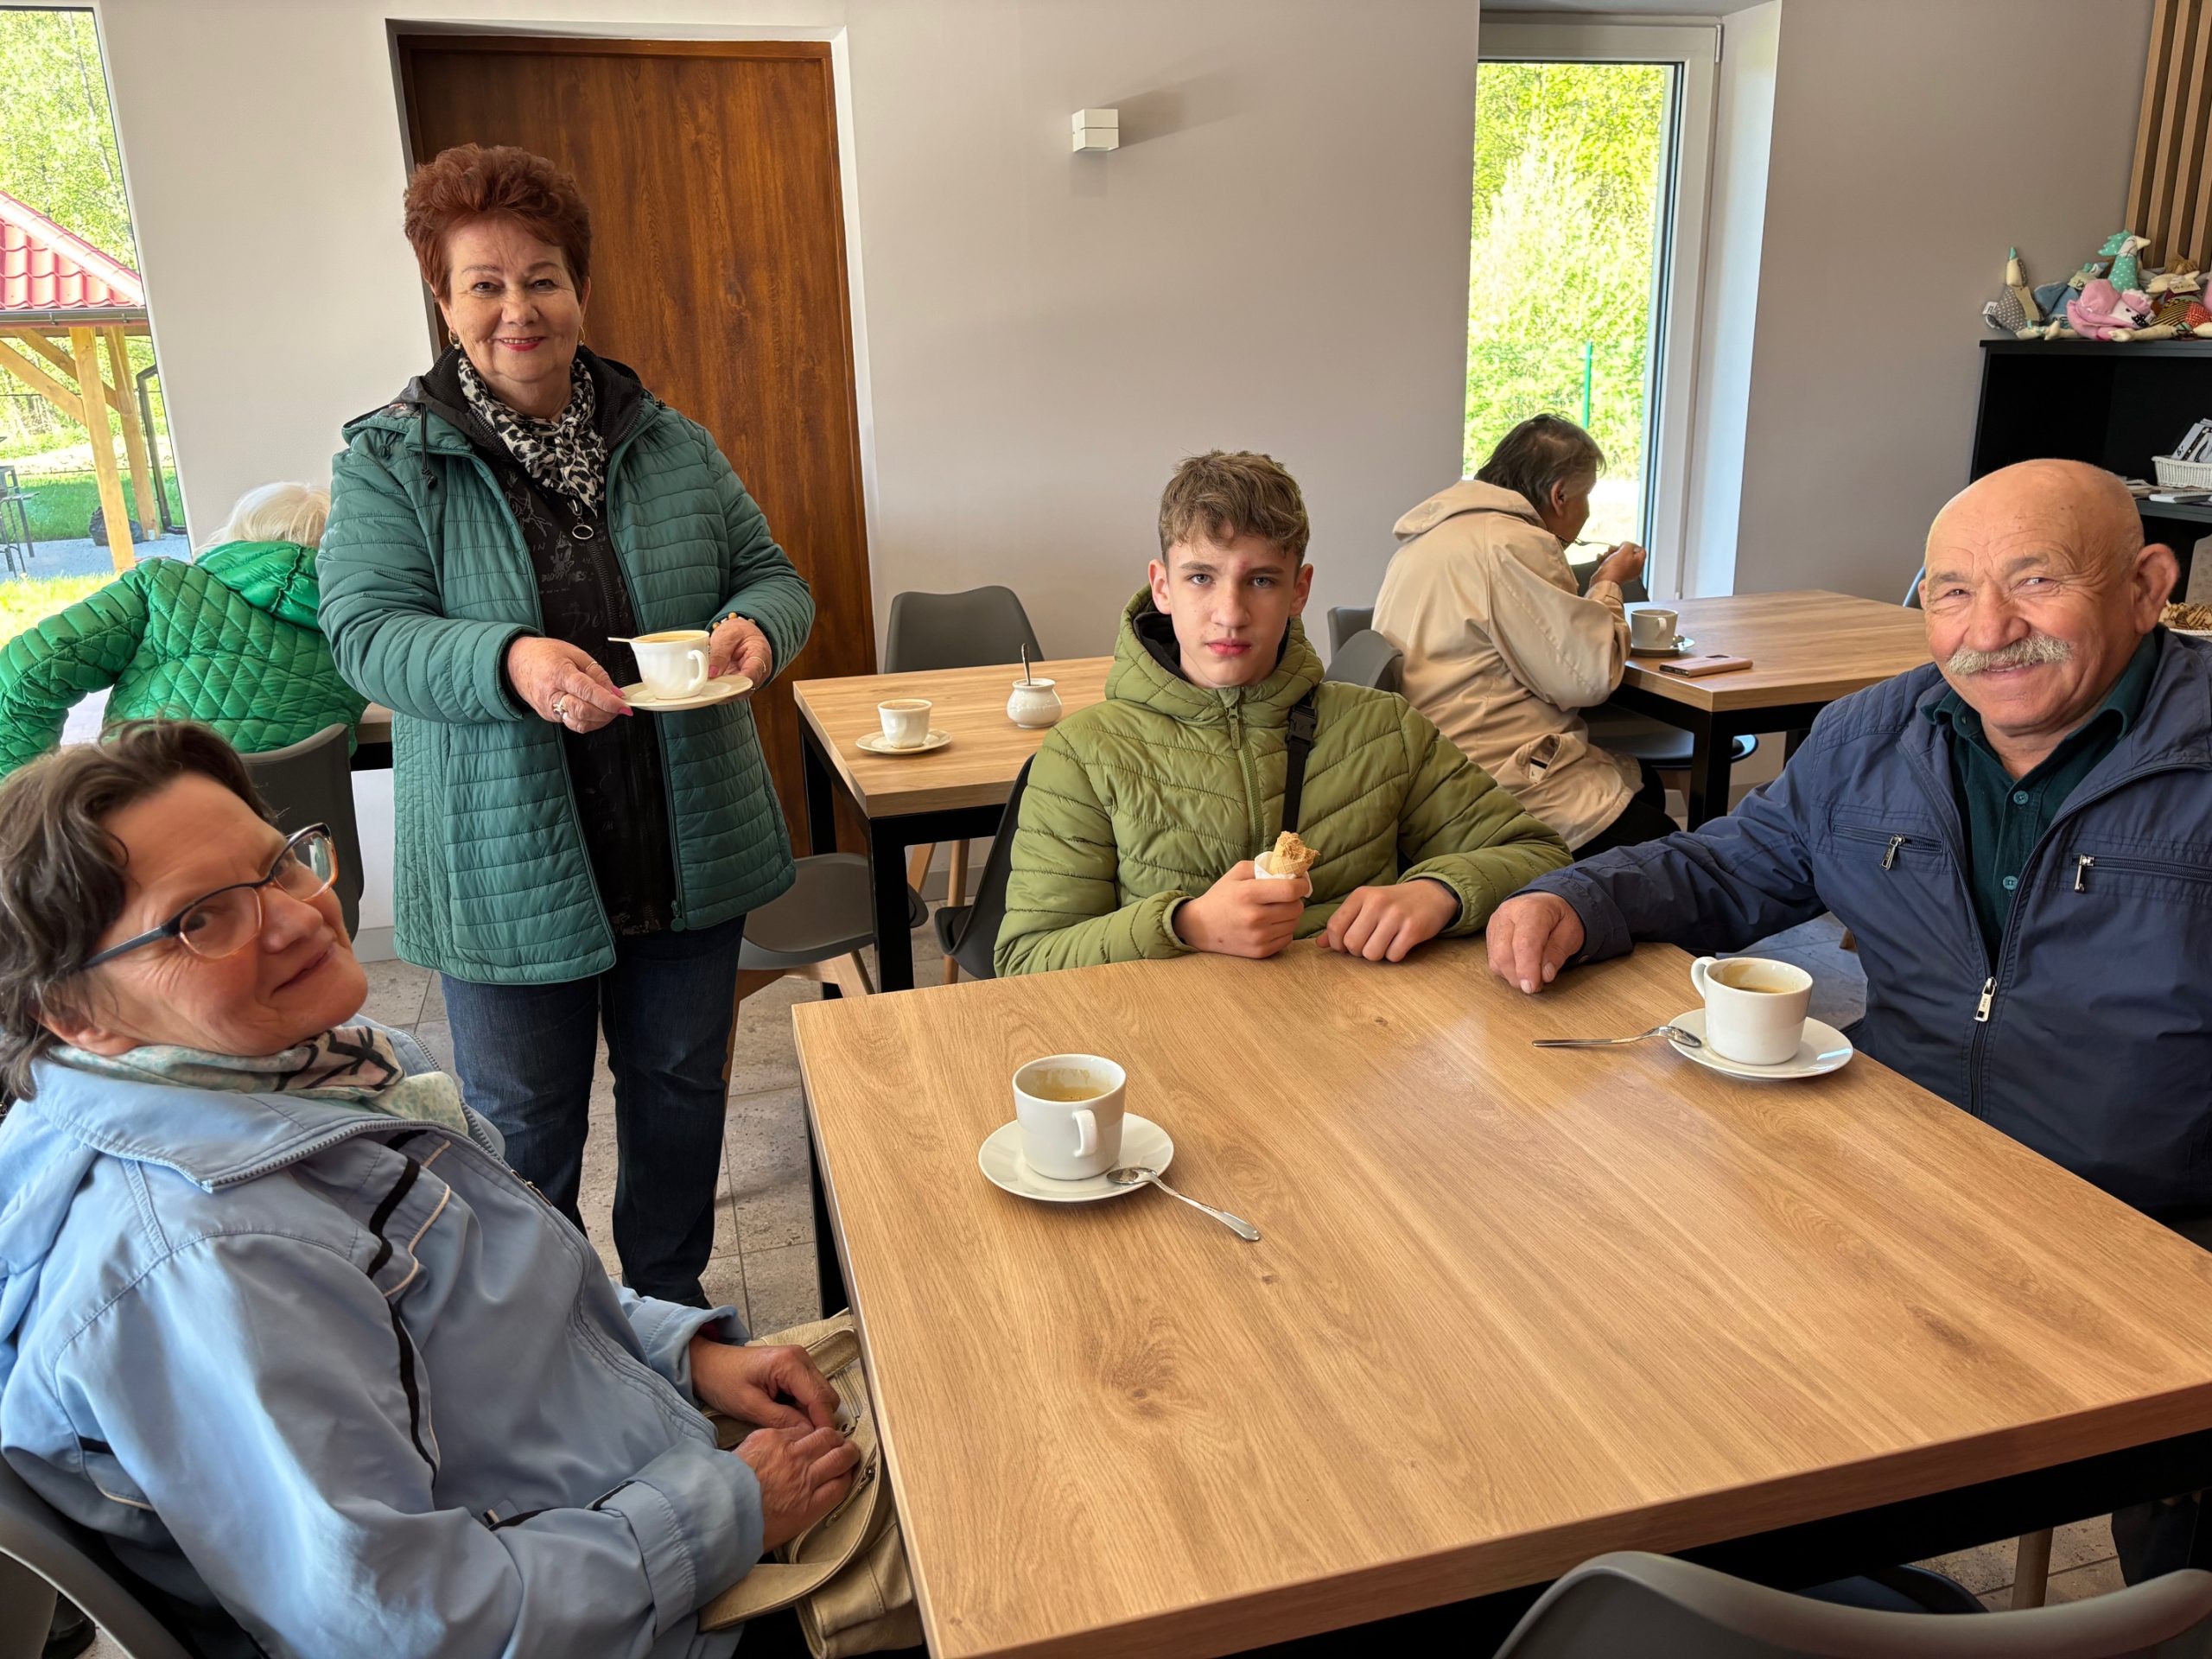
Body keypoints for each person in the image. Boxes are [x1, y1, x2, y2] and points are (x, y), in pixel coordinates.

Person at [0, 722, 861, 1658]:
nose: (298, 917)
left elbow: (480, 1311)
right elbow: (408, 1626)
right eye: (200, 920)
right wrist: (728, 1508)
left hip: (617, 1502)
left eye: (278, 866)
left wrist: (677, 1354)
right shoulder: (211, 1258)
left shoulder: (327, 1070)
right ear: (76, 1014)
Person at [320, 144, 813, 1306]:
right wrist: (510, 659)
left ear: (579, 287)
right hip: (505, 860)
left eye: (541, 278)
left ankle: (672, 1314)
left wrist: (757, 625)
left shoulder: (672, 442)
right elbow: (365, 632)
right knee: (525, 1128)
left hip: (684, 844)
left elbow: (772, 573)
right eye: (484, 285)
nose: (518, 309)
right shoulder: (392, 462)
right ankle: (555, 1342)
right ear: (443, 300)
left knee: (681, 1094)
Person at [995, 450, 1569, 977]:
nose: (1230, 613)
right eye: (1201, 577)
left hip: (1356, 1033)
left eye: (1262, 580)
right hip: (1175, 1040)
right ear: (1162, 587)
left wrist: (1440, 892)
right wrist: (1185, 925)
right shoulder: (1083, 752)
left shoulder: (1386, 729)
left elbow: (1538, 855)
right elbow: (1026, 959)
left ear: (1299, 590)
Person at [1374, 414, 1676, 857]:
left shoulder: (1431, 537)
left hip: (1432, 772)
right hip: (1492, 783)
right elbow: (1588, 679)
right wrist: (1609, 583)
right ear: (1560, 495)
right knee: (1668, 848)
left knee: (1646, 786)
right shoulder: (1513, 544)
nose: (1586, 511)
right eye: (1586, 497)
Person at [0, 482, 365, 777]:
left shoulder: (163, 585)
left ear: (238, 534)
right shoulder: (364, 628)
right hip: (293, 840)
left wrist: (27, 799)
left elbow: (24, 672)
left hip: (141, 829)